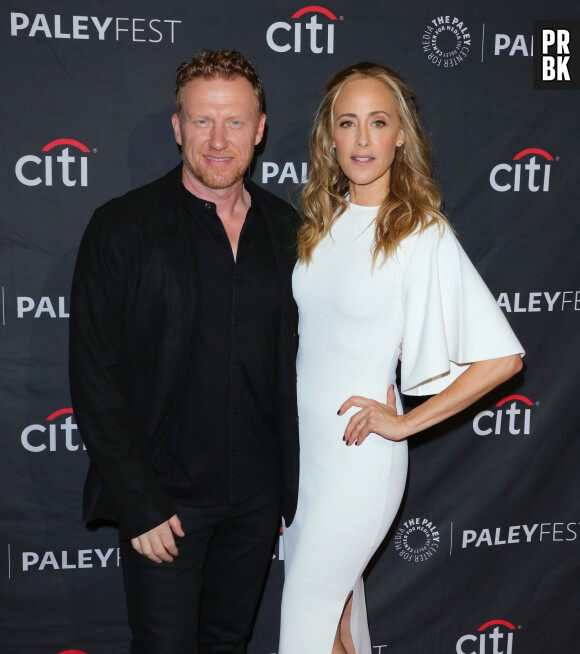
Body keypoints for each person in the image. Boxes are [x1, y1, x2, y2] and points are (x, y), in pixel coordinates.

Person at [278, 62, 524, 654]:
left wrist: (406, 421)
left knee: (304, 626)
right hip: (306, 462)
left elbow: (503, 359)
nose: (363, 140)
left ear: (401, 135)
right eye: (348, 123)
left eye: (378, 122)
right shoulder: (322, 223)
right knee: (336, 624)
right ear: (329, 137)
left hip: (361, 461)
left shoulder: (420, 232)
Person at [69, 49, 299, 654]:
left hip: (255, 503)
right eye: (202, 121)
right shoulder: (121, 228)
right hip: (164, 507)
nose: (218, 140)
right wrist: (137, 501)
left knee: (229, 642)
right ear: (178, 128)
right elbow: (95, 377)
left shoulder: (290, 231)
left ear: (260, 128)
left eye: (234, 122)